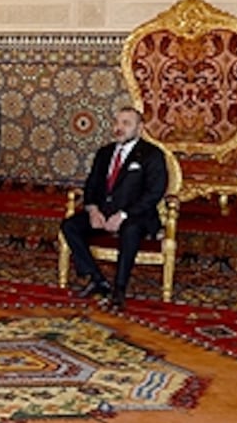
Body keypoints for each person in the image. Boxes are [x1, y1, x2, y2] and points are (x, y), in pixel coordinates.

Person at [60, 106, 167, 310]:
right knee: (70, 226)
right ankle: (97, 279)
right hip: (103, 213)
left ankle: (119, 289)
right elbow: (91, 185)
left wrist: (124, 215)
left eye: (126, 123)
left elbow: (154, 192)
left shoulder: (152, 155)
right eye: (117, 123)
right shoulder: (104, 153)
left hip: (136, 215)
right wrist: (92, 209)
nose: (119, 128)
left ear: (140, 128)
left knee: (131, 230)